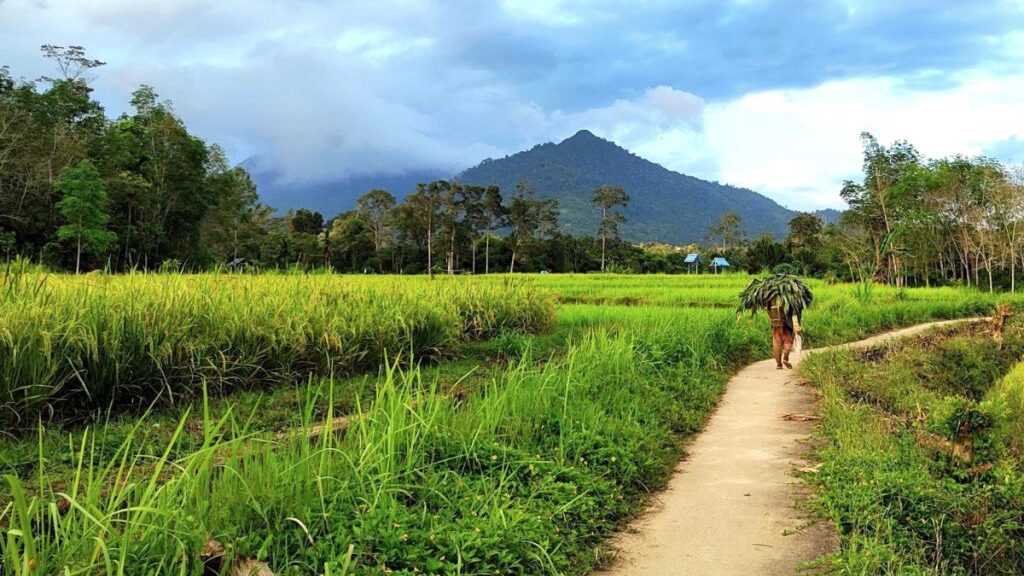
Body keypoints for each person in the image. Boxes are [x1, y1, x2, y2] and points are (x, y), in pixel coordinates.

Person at [767, 303, 802, 369]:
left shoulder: (772, 303)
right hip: (786, 325)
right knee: (788, 342)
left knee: (777, 343)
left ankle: (779, 364)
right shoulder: (791, 302)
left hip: (776, 326)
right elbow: (795, 313)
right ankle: (785, 357)